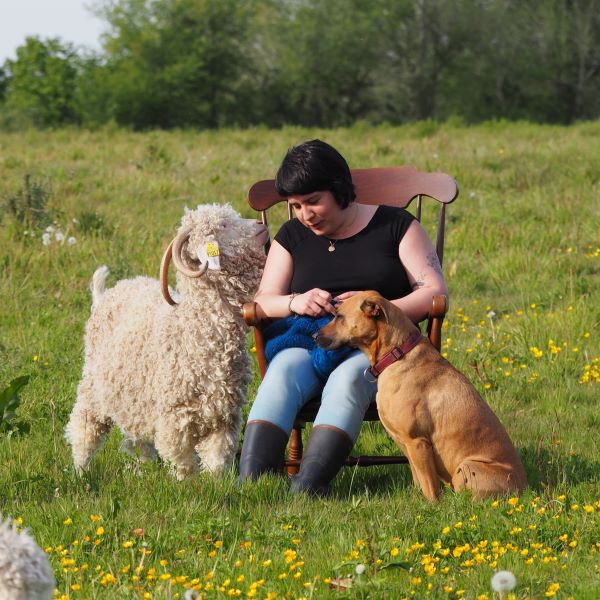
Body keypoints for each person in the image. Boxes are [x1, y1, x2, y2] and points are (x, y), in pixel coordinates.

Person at [238, 139, 448, 495]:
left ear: (339, 189)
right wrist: (295, 302)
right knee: (282, 370)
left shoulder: (396, 226)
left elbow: (434, 293)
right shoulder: (292, 236)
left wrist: (375, 303)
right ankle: (252, 485)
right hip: (308, 339)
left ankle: (308, 486)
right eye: (296, 206)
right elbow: (264, 302)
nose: (306, 214)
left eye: (314, 201)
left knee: (349, 379)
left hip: (376, 347)